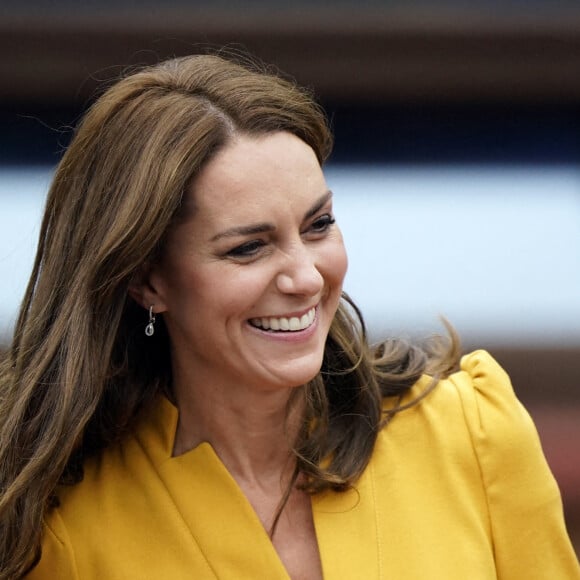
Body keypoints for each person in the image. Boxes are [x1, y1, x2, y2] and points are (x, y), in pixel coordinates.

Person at [0, 53, 578, 580]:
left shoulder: (474, 436)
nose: (305, 277)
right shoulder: (62, 533)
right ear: (148, 280)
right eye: (248, 248)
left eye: (318, 225)